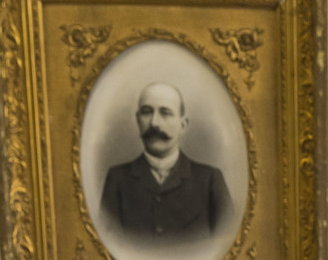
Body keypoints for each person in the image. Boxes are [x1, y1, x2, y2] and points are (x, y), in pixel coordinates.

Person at [99, 83, 233, 242]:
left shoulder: (210, 179)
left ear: (183, 125)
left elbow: (226, 247)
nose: (154, 123)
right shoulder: (117, 180)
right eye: (146, 112)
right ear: (137, 120)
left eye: (165, 113)